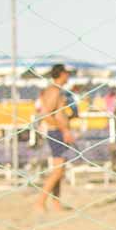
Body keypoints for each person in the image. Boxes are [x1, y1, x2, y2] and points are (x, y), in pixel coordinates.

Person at [34, 63, 74, 214]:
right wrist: (64, 129)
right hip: (56, 132)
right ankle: (40, 202)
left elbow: (56, 113)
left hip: (59, 131)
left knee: (60, 170)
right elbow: (46, 114)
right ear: (62, 74)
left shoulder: (56, 90)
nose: (69, 76)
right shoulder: (54, 90)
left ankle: (56, 203)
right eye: (67, 73)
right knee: (58, 171)